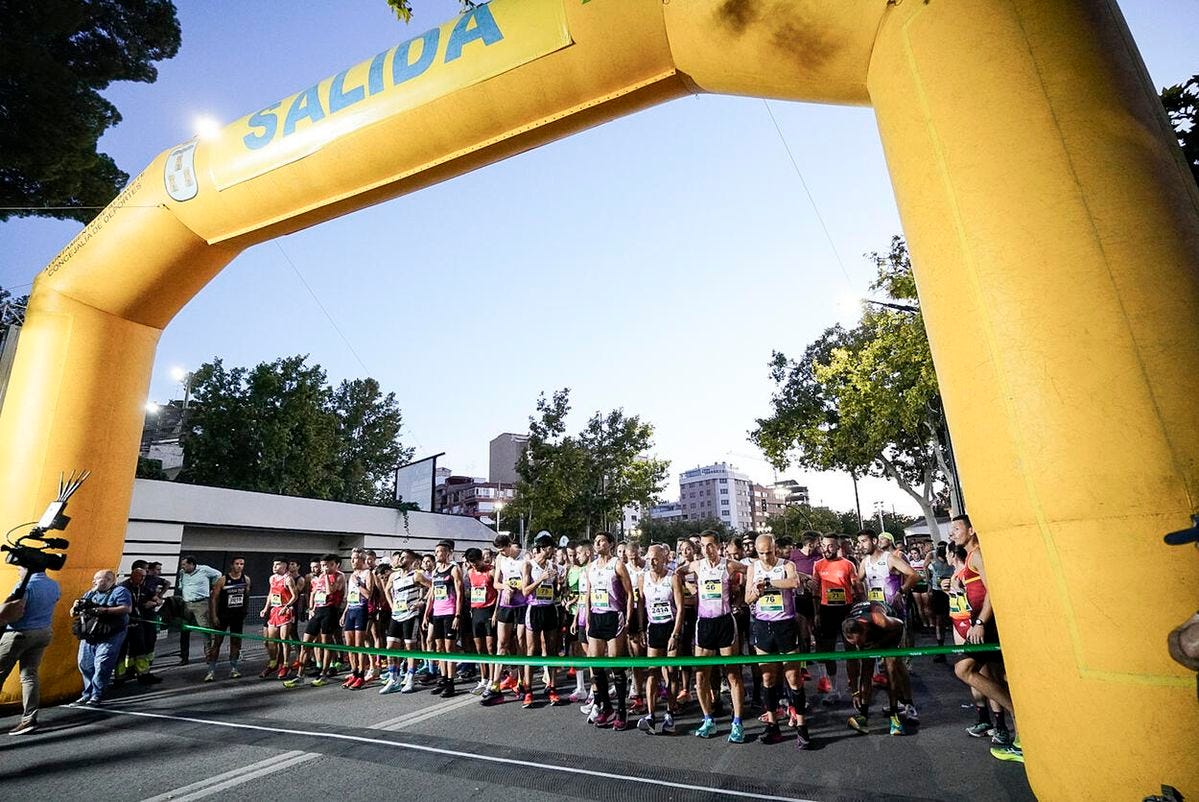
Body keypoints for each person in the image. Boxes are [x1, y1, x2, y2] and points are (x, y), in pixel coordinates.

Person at [946, 514, 1020, 763]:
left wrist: (980, 623)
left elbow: (992, 591)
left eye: (956, 528)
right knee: (995, 676)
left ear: (971, 530)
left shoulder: (977, 554)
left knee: (963, 669)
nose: (952, 534)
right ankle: (1020, 738)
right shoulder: (969, 557)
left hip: (987, 625)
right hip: (982, 622)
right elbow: (977, 591)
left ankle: (1015, 711)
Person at [745, 534, 811, 749]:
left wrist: (768, 582)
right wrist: (756, 593)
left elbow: (794, 582)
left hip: (785, 625)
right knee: (767, 677)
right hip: (763, 626)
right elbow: (746, 599)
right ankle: (772, 724)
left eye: (769, 552)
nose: (766, 557)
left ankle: (801, 726)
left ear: (775, 549)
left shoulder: (786, 565)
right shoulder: (753, 567)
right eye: (761, 553)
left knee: (793, 677)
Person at [687, 530, 749, 743]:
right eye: (703, 545)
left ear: (719, 546)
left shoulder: (729, 565)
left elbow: (751, 570)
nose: (706, 549)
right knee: (701, 676)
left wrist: (742, 592)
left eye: (710, 545)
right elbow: (676, 573)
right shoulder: (696, 566)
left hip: (724, 622)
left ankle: (737, 722)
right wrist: (689, 587)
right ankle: (708, 719)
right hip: (704, 623)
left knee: (732, 674)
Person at [582, 531, 635, 729]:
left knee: (615, 665)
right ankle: (606, 707)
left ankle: (622, 711)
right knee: (595, 665)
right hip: (596, 617)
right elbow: (588, 594)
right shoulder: (591, 567)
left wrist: (628, 618)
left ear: (610, 544)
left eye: (602, 541)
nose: (597, 544)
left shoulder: (617, 565)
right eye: (596, 541)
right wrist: (587, 618)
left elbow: (630, 594)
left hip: (614, 616)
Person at [0, 565, 61, 734]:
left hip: (19, 634)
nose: (18, 572)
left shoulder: (25, 586)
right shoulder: (54, 585)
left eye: (20, 569)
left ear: (28, 568)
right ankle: (29, 719)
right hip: (43, 632)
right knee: (29, 676)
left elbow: (15, 611)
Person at [841, 600, 913, 736]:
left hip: (890, 629)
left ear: (864, 631)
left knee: (891, 668)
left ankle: (896, 714)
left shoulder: (880, 620)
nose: (857, 646)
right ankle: (863, 715)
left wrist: (879, 644)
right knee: (866, 668)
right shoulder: (848, 630)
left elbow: (900, 625)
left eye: (859, 642)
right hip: (868, 629)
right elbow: (851, 663)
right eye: (854, 643)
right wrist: (855, 692)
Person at [637, 544, 683, 735]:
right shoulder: (643, 578)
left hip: (670, 626)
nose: (652, 562)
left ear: (664, 558)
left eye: (656, 558)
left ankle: (670, 713)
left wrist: (675, 634)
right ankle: (650, 714)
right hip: (654, 627)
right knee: (652, 671)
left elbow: (680, 607)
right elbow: (641, 604)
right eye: (649, 559)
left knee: (672, 672)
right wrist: (641, 629)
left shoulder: (673, 577)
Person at [71, 570, 133, 705]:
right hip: (91, 632)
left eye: (100, 579)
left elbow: (127, 608)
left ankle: (96, 695)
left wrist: (104, 610)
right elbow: (76, 611)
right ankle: (87, 693)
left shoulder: (120, 592)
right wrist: (76, 607)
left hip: (111, 633)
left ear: (111, 581)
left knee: (102, 664)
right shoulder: (90, 593)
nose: (96, 581)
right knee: (84, 663)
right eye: (95, 579)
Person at [812, 533, 860, 704]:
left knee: (850, 650)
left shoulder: (848, 564)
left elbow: (857, 588)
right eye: (824, 546)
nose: (826, 549)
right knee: (829, 650)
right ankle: (834, 690)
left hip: (846, 610)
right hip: (827, 611)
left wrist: (859, 609)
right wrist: (817, 613)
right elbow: (816, 591)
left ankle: (855, 689)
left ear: (837, 547)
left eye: (830, 546)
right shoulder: (818, 565)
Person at [284, 554, 345, 688]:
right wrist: (311, 608)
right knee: (306, 643)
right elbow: (314, 592)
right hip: (318, 611)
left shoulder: (339, 576)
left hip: (330, 611)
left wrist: (326, 576)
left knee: (326, 643)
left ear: (335, 565)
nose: (325, 568)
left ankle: (324, 674)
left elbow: (329, 591)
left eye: (328, 565)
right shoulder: (318, 577)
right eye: (323, 565)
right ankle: (300, 675)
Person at [379, 550, 429, 695]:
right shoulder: (393, 575)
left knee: (410, 647)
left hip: (410, 615)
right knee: (390, 647)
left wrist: (422, 602)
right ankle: (393, 679)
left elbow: (432, 586)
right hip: (396, 615)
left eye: (404, 557)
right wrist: (392, 605)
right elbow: (387, 590)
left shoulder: (416, 575)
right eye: (400, 557)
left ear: (412, 560)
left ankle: (410, 678)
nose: (401, 559)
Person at [522, 532, 562, 707]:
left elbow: (555, 592)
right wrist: (541, 579)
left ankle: (552, 687)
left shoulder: (553, 566)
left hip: (549, 609)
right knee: (532, 650)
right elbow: (525, 591)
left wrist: (560, 584)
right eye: (551, 548)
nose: (553, 552)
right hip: (534, 609)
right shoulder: (528, 565)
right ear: (544, 548)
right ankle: (528, 690)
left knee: (551, 650)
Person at [487, 533, 526, 703]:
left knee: (521, 643)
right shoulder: (500, 559)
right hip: (506, 604)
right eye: (499, 551)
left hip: (522, 604)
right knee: (501, 644)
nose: (502, 553)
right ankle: (495, 685)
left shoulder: (524, 557)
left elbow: (528, 582)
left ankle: (522, 683)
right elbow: (496, 583)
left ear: (510, 545)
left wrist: (516, 588)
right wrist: (506, 587)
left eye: (503, 549)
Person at [424, 540, 462, 698]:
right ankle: (443, 678)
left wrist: (457, 614)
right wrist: (427, 614)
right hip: (437, 613)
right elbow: (432, 594)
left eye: (440, 551)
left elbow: (459, 592)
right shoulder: (435, 571)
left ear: (448, 553)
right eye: (436, 552)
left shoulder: (454, 569)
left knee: (449, 648)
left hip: (449, 612)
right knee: (439, 647)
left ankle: (450, 683)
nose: (437, 554)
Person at [115, 562, 163, 685]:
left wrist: (155, 602)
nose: (142, 579)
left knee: (140, 649)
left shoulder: (142, 587)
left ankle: (143, 674)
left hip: (138, 623)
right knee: (122, 650)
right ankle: (119, 677)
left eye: (144, 577)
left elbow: (156, 598)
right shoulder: (122, 588)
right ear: (132, 575)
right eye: (140, 577)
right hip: (124, 623)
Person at [207, 556, 251, 681]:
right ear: (232, 565)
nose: (239, 566)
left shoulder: (246, 579)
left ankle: (234, 669)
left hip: (237, 617)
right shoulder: (223, 580)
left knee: (235, 643)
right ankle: (211, 671)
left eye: (242, 564)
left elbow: (247, 595)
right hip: (223, 616)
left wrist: (244, 612)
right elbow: (214, 598)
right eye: (237, 563)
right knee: (217, 642)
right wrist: (214, 615)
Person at [339, 548, 377, 690]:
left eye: (355, 558)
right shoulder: (353, 575)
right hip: (351, 610)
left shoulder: (368, 574)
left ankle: (361, 674)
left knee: (359, 645)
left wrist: (358, 583)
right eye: (351, 558)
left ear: (362, 559)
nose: (352, 561)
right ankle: (354, 672)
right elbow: (350, 597)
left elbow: (368, 595)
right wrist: (344, 613)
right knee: (349, 645)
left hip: (362, 610)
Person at [463, 547, 498, 696]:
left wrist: (496, 612)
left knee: (490, 648)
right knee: (479, 648)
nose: (475, 566)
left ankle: (492, 679)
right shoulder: (470, 573)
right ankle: (483, 678)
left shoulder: (491, 571)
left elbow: (499, 592)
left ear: (481, 559)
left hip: (489, 611)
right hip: (476, 611)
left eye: (476, 562)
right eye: (472, 563)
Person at [177, 556, 221, 665]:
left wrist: (214, 587)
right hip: (186, 603)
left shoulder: (204, 570)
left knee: (205, 629)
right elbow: (181, 584)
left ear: (191, 564)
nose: (182, 567)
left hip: (201, 603)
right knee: (184, 630)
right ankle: (184, 657)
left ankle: (209, 655)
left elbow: (218, 574)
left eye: (184, 564)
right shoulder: (182, 573)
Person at [260, 558, 299, 679]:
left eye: (277, 565)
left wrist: (286, 606)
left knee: (284, 640)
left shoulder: (288, 579)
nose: (274, 567)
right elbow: (270, 594)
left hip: (285, 611)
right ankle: (273, 662)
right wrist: (265, 608)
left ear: (284, 566)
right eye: (273, 565)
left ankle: (285, 664)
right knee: (271, 641)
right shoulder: (272, 578)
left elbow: (295, 596)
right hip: (274, 611)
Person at [925, 544, 953, 661]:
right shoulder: (934, 563)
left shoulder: (952, 562)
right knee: (939, 620)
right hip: (939, 593)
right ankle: (941, 649)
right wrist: (929, 584)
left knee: (952, 619)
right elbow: (925, 567)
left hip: (952, 593)